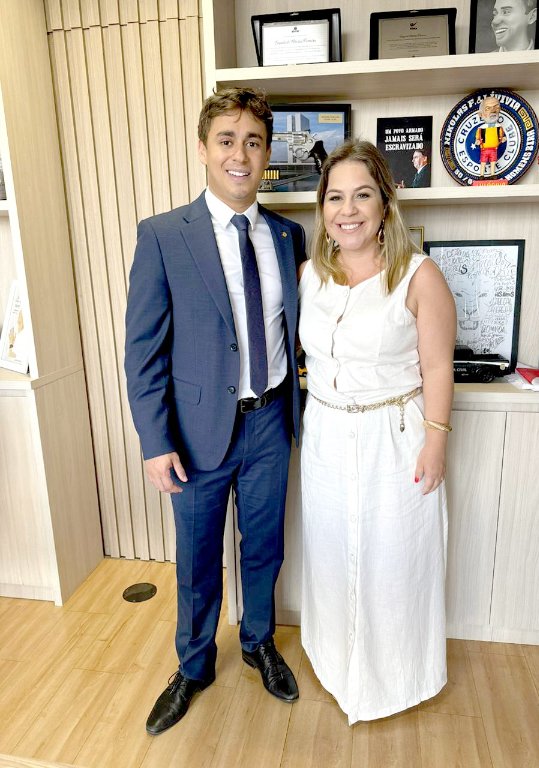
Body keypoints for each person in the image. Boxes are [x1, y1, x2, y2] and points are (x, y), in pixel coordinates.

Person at [125, 87, 306, 736]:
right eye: (227, 140)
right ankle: (194, 665)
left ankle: (258, 642)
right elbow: (142, 351)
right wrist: (154, 440)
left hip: (270, 423)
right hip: (196, 435)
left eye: (253, 142)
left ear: (266, 157)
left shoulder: (290, 235)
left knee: (263, 549)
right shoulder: (163, 236)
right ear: (203, 150)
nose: (240, 154)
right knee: (199, 559)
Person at [297, 139, 456, 725]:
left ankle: (395, 680)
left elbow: (439, 366)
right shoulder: (309, 276)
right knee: (335, 554)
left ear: (385, 203)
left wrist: (435, 441)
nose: (349, 209)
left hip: (397, 437)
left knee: (394, 559)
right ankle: (338, 667)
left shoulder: (419, 275)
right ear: (323, 208)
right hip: (326, 438)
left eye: (363, 194)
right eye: (336, 197)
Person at [475, 96, 506, 178]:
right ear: (480, 114)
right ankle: (481, 175)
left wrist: (502, 139)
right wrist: (477, 140)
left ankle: (493, 175)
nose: (493, 111)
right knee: (483, 162)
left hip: (494, 149)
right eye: (488, 108)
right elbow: (478, 136)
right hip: (484, 149)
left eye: (496, 107)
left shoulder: (499, 128)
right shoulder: (481, 128)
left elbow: (501, 135)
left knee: (493, 162)